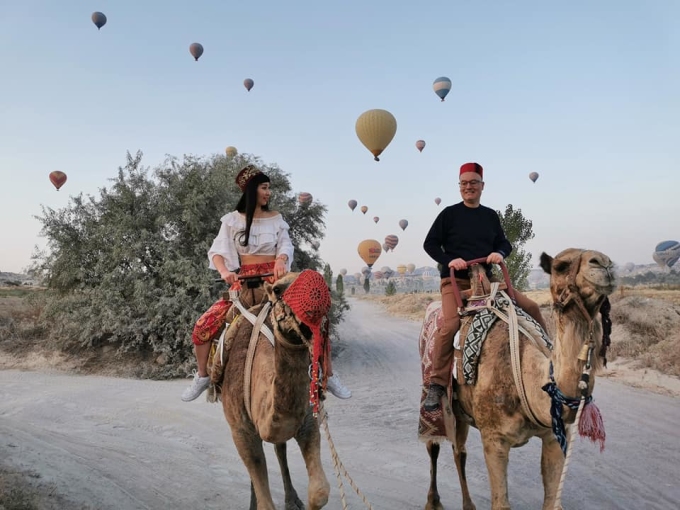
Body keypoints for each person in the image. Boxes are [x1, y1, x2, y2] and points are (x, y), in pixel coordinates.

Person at [181, 164, 352, 402]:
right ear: (252, 190)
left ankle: (328, 375)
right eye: (264, 187)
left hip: (277, 283)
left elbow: (285, 245)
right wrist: (224, 271)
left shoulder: (277, 219)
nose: (268, 192)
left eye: (269, 187)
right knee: (202, 327)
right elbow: (217, 252)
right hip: (243, 284)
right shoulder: (232, 220)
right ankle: (202, 376)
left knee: (317, 319)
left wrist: (281, 260)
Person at [421, 162, 549, 411]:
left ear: (482, 186)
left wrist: (499, 253)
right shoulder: (448, 214)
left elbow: (505, 243)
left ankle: (548, 358)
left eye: (473, 183)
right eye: (464, 183)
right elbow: (430, 244)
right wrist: (450, 260)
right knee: (449, 325)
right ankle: (436, 384)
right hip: (455, 281)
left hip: (487, 280)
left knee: (531, 307)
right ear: (460, 187)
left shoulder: (490, 216)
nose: (469, 187)